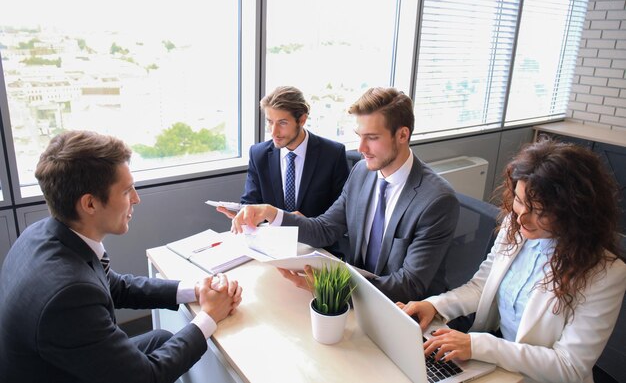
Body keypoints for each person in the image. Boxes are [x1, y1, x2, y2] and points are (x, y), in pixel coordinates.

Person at [0, 131, 243, 383]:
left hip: (57, 362)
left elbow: (114, 286)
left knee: (162, 339)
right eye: (127, 191)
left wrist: (195, 290)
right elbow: (146, 377)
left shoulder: (44, 233)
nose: (136, 199)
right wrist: (209, 316)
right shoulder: (68, 295)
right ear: (90, 204)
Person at [397, 139, 626, 383]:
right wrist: (435, 305)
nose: (522, 217)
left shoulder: (606, 274)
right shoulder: (514, 226)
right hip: (494, 365)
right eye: (518, 200)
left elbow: (569, 366)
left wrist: (479, 345)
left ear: (574, 211)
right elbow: (482, 286)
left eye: (539, 211)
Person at [232, 87, 460, 303]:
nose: (360, 148)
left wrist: (329, 287)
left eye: (371, 137)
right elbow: (325, 229)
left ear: (402, 135)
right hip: (359, 298)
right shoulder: (362, 172)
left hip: (407, 312)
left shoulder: (436, 200)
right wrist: (272, 214)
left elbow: (409, 285)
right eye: (359, 135)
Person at [216, 85, 349, 219]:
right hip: (271, 238)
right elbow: (251, 202)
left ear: (302, 120)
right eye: (270, 122)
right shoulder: (258, 154)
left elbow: (341, 213)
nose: (273, 132)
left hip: (315, 238)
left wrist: (309, 225)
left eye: (283, 123)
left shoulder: (332, 154)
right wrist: (245, 215)